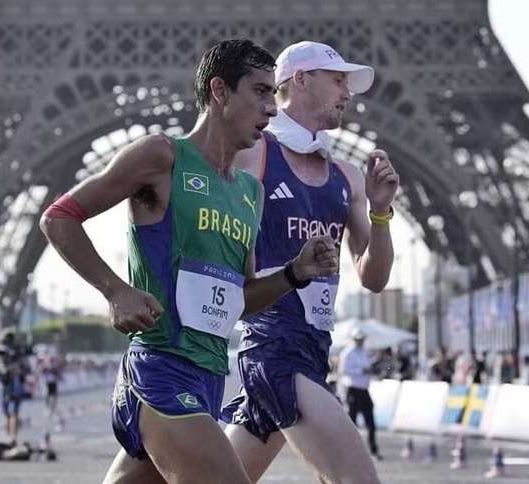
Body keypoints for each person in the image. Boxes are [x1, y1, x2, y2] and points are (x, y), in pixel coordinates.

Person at [40, 38, 340, 484]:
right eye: (260, 92)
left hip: (209, 379)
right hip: (160, 370)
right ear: (220, 90)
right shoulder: (162, 157)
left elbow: (240, 298)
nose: (272, 109)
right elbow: (59, 217)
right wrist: (115, 289)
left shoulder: (249, 193)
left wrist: (295, 274)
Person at [221, 41, 397, 483]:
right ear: (299, 80)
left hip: (315, 349)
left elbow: (374, 278)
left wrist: (380, 214)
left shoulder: (347, 177)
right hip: (273, 348)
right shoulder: (253, 155)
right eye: (338, 80)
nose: (347, 92)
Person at [339, 330, 381, 460]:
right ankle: (349, 452)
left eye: (362, 339)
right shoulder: (347, 353)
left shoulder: (364, 352)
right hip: (353, 390)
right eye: (358, 339)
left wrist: (372, 369)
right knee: (352, 423)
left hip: (364, 390)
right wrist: (361, 370)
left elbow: (367, 369)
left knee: (371, 423)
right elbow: (343, 371)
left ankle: (373, 450)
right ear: (353, 339)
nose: (360, 341)